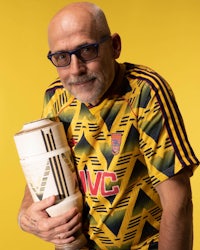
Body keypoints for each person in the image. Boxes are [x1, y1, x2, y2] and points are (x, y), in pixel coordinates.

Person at [18, 2, 199, 250]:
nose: (75, 70)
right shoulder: (56, 97)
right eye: (61, 57)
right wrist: (25, 213)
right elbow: (43, 168)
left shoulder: (144, 92)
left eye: (87, 50)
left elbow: (178, 202)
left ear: (114, 46)